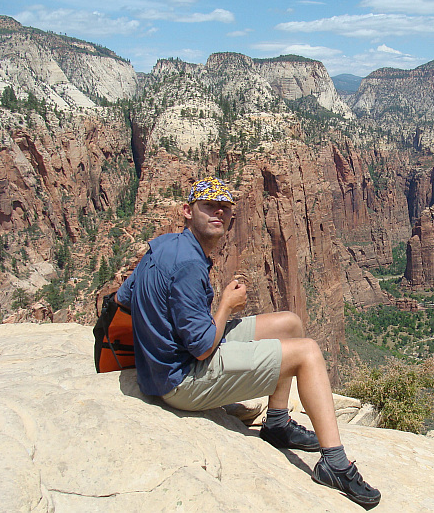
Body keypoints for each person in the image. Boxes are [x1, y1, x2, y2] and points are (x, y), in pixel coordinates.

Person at [115, 177, 380, 508]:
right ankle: (336, 464)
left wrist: (157, 334)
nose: (218, 214)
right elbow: (202, 348)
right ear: (187, 210)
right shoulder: (188, 263)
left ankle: (278, 423)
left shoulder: (164, 244)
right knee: (308, 353)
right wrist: (226, 305)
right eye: (208, 206)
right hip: (181, 381)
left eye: (224, 209)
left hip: (175, 359)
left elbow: (123, 298)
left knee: (290, 324)